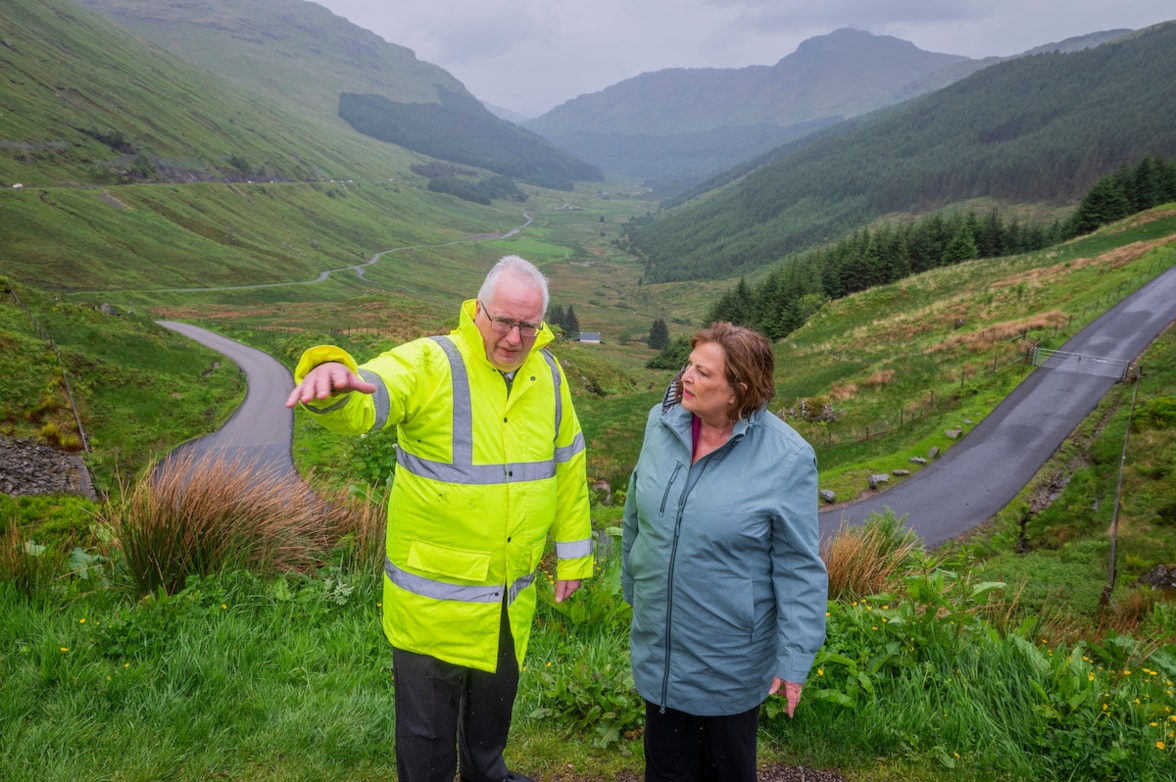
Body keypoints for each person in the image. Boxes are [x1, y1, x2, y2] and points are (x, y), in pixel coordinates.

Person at [285, 255, 593, 782]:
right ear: (478, 310)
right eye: (504, 321)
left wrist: (573, 559)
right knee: (426, 745)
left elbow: (568, 467)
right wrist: (332, 376)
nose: (515, 338)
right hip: (432, 608)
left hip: (506, 597)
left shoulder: (549, 375)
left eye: (529, 325)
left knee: (490, 725)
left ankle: (487, 773)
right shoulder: (431, 362)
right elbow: (370, 397)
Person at [621, 321, 828, 782]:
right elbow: (636, 512)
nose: (685, 380)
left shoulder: (787, 458)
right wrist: (633, 586)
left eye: (703, 373)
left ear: (739, 390)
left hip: (728, 660)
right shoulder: (661, 423)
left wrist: (794, 659)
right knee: (665, 771)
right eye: (689, 367)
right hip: (660, 649)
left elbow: (797, 567)